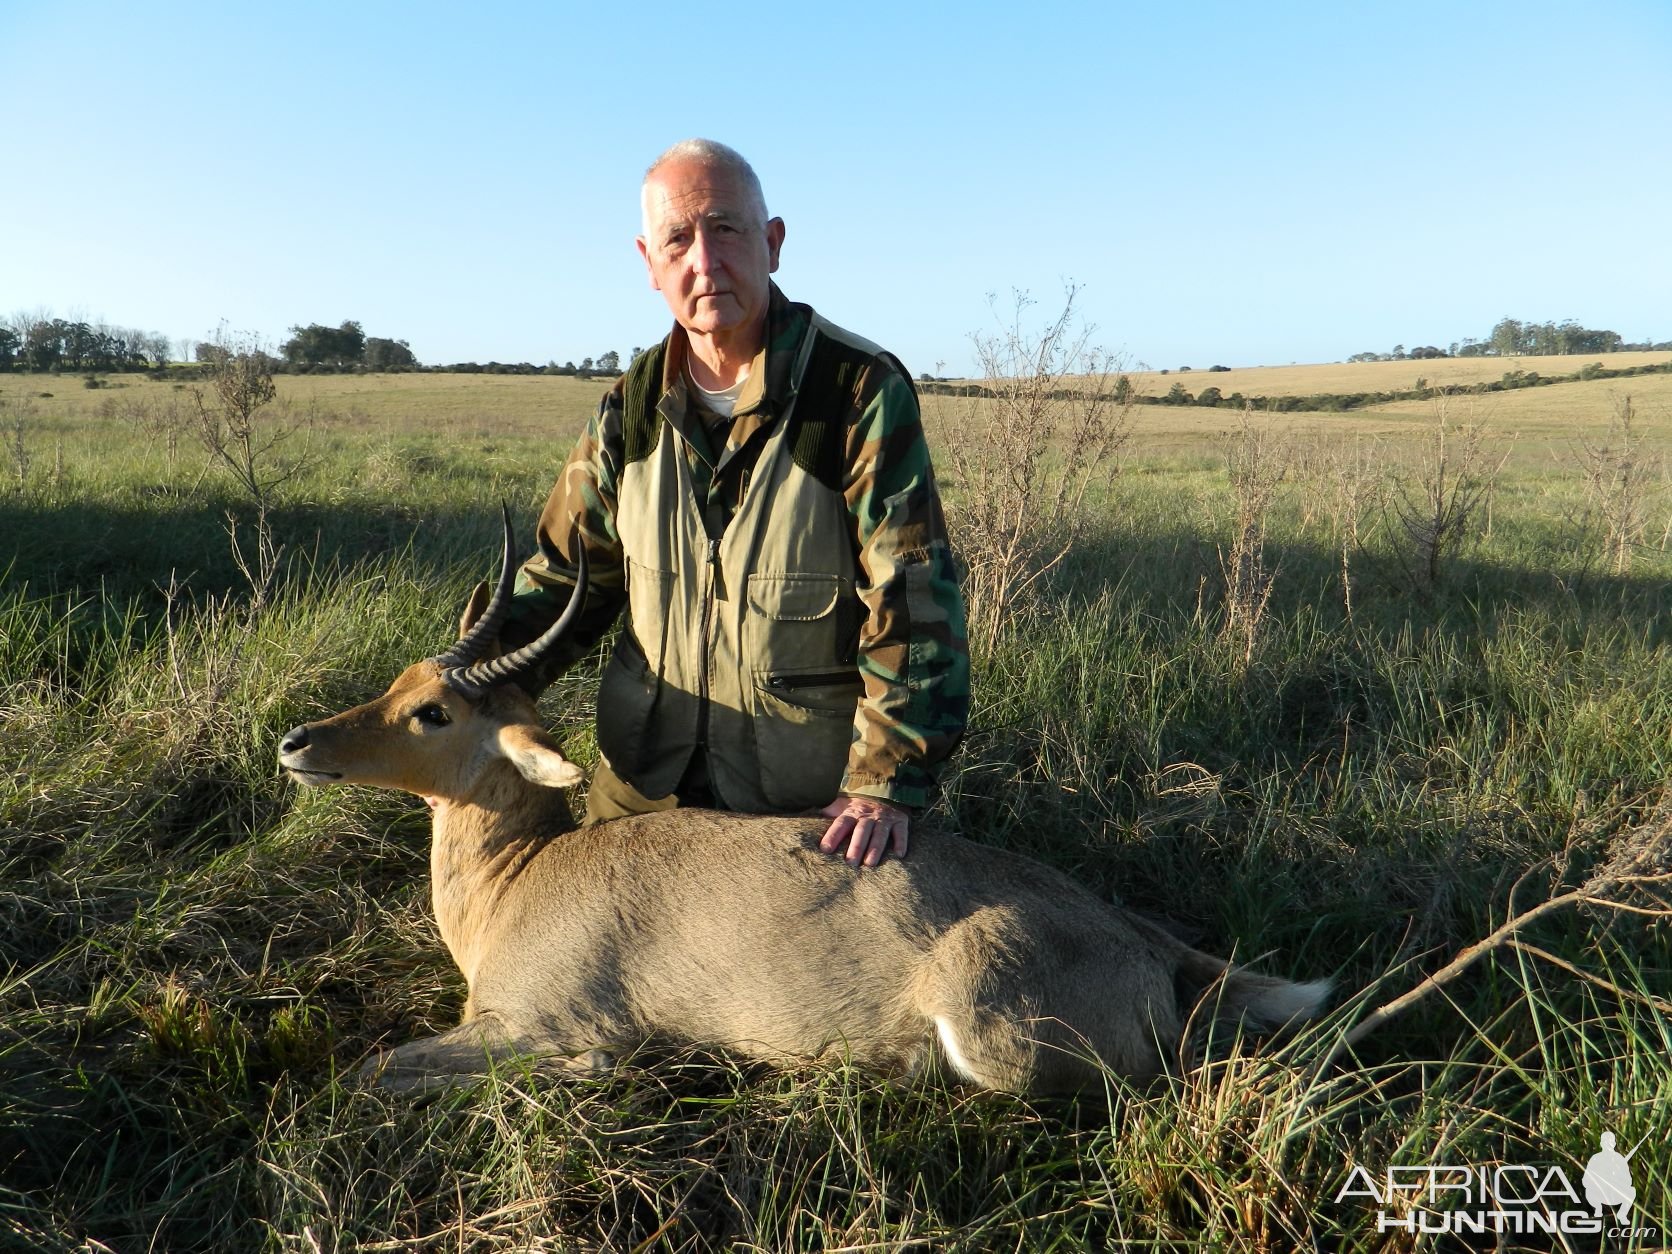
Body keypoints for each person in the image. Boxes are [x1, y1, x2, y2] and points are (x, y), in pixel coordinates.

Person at [491, 138, 968, 868]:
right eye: (678, 239)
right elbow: (562, 580)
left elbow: (911, 596)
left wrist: (883, 783)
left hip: (802, 802)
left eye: (726, 230)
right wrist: (463, 689)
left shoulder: (857, 391)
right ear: (649, 264)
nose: (704, 262)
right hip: (642, 789)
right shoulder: (631, 410)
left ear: (772, 244)